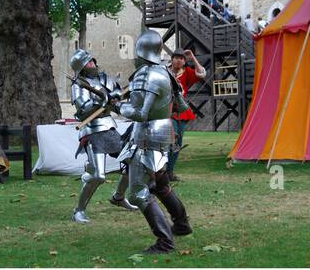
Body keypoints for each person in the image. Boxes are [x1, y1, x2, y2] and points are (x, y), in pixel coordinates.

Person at [115, 31, 192, 254]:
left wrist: (117, 106)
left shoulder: (144, 75)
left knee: (138, 193)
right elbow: (183, 106)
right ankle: (182, 224)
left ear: (141, 51)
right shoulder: (166, 74)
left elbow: (139, 113)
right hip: (163, 133)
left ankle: (165, 242)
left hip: (146, 135)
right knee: (161, 185)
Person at [68, 49, 135, 222]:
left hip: (110, 128)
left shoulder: (105, 78)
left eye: (92, 60)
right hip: (92, 131)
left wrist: (115, 98)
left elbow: (117, 102)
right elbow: (83, 110)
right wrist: (102, 100)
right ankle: (78, 211)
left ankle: (118, 197)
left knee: (131, 161)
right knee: (98, 176)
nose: (92, 64)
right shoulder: (78, 84)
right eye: (87, 62)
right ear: (82, 68)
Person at [165, 49, 207, 181]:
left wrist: (193, 57)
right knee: (163, 142)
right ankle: (160, 172)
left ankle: (169, 172)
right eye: (176, 57)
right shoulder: (164, 71)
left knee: (177, 142)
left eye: (182, 58)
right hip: (163, 111)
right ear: (172, 59)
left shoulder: (187, 72)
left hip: (180, 112)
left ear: (184, 61)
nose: (179, 60)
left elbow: (201, 74)